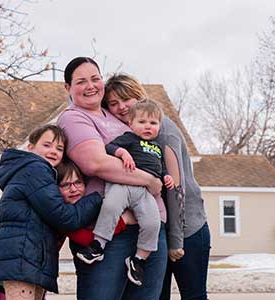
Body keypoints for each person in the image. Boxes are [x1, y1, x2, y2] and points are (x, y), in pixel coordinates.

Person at [58, 57, 167, 300]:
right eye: (81, 81)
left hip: (149, 229)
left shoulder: (118, 116)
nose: (91, 86)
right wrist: (149, 181)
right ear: (68, 88)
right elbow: (97, 163)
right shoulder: (74, 117)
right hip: (111, 234)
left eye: (95, 79)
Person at [103, 73, 211, 300]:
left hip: (186, 229)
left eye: (126, 99)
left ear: (139, 96)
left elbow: (175, 189)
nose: (121, 107)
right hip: (156, 231)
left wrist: (176, 241)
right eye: (113, 104)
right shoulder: (132, 135)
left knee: (193, 296)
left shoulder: (162, 130)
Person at [0, 124, 102, 300]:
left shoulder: (36, 172)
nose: (53, 151)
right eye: (47, 145)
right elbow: (64, 217)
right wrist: (98, 198)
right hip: (21, 256)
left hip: (28, 257)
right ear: (31, 148)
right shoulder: (34, 169)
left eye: (59, 148)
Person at [76, 99, 175, 287]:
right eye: (142, 122)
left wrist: (166, 177)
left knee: (153, 222)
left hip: (145, 193)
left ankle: (138, 259)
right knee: (111, 206)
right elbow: (109, 148)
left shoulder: (157, 148)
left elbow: (160, 168)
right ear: (131, 123)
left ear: (159, 126)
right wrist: (123, 153)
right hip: (123, 184)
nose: (148, 127)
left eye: (153, 123)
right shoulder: (129, 138)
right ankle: (98, 245)